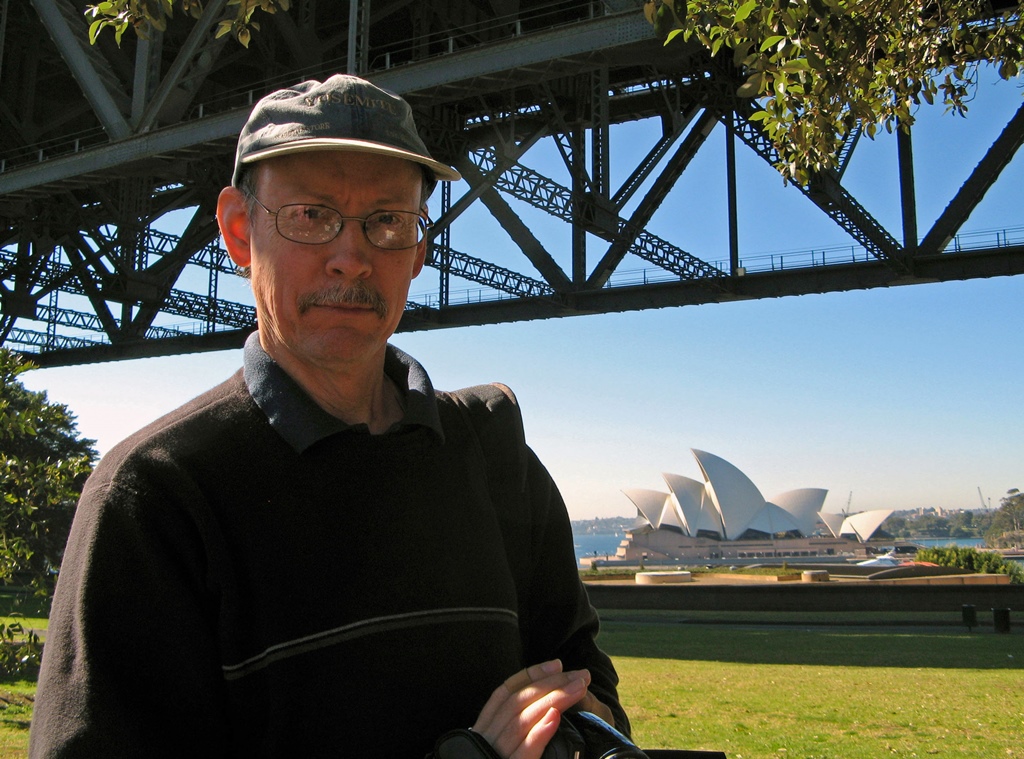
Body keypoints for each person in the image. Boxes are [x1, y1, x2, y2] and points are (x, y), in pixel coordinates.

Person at [29, 74, 628, 758]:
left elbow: (590, 692)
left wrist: (577, 732)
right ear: (237, 231)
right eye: (312, 215)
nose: (352, 258)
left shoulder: (498, 458)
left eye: (387, 221)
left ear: (419, 250)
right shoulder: (156, 499)